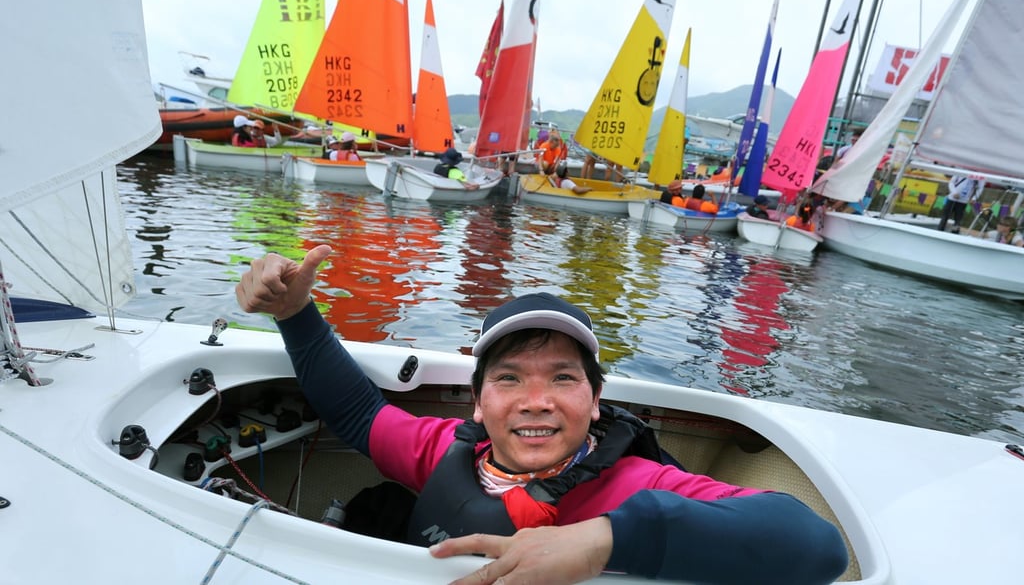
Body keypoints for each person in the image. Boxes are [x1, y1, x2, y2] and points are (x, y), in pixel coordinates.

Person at [235, 246, 849, 584]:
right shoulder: (448, 448)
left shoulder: (638, 485)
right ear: (478, 403)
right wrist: (295, 314)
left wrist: (605, 539)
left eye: (563, 377)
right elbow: (355, 411)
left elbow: (815, 546)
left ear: (595, 400)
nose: (536, 401)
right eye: (508, 379)